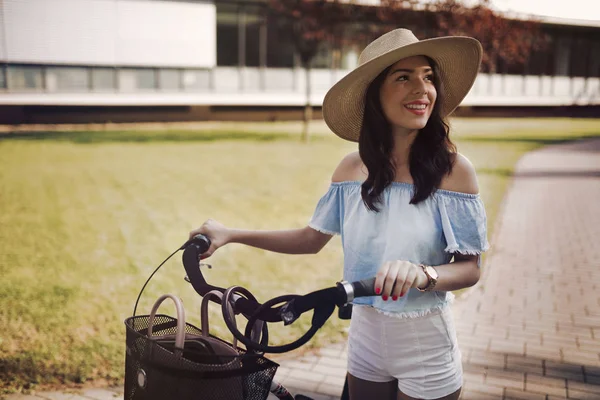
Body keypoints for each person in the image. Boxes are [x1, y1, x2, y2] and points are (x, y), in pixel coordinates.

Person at [189, 28, 489, 400]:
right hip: (366, 338)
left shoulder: (456, 171)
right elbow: (310, 239)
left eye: (428, 77)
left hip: (425, 342)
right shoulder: (351, 171)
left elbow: (471, 267)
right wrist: (230, 233)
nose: (422, 89)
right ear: (374, 95)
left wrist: (424, 273)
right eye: (404, 77)